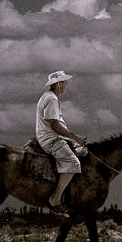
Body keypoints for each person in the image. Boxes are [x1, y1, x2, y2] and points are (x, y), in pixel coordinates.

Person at [36, 70, 88, 214]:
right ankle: (56, 198)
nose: (66, 86)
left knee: (81, 151)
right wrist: (75, 137)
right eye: (65, 83)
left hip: (52, 137)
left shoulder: (47, 97)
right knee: (73, 163)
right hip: (52, 140)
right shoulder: (52, 99)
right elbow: (54, 124)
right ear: (58, 84)